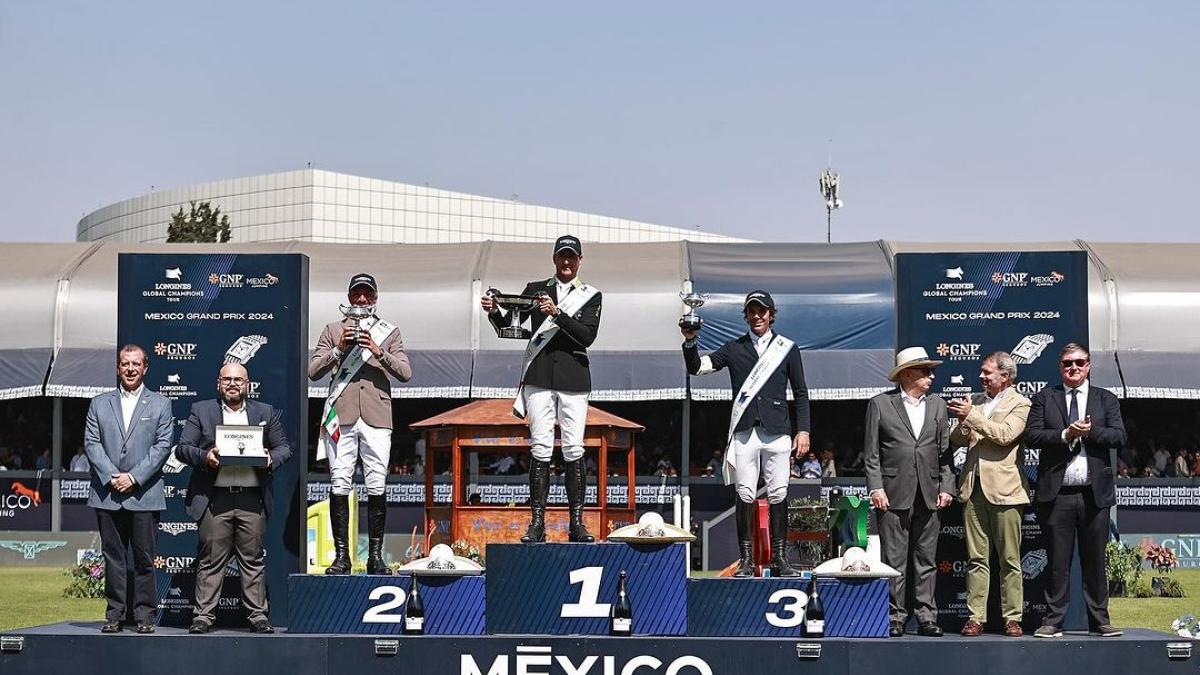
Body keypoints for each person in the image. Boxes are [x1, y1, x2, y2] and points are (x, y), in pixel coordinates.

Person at [480, 234, 603, 543]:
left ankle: (577, 523)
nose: (566, 262)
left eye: (571, 257)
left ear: (579, 261)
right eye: (561, 256)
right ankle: (537, 523)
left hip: (574, 378)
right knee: (540, 448)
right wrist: (493, 310)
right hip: (539, 376)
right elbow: (515, 327)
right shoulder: (535, 290)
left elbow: (587, 336)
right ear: (554, 258)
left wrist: (557, 314)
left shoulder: (591, 295)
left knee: (574, 448)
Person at [682, 290, 810, 577]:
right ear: (746, 316)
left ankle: (779, 560)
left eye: (762, 311)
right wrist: (691, 342)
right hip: (745, 431)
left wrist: (804, 430)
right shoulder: (733, 348)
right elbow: (698, 368)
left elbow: (801, 392)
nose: (757, 316)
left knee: (779, 493)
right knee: (745, 493)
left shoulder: (787, 348)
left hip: (778, 431)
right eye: (752, 311)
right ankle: (746, 560)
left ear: (771, 314)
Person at [175, 363, 292, 634]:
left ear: (247, 384)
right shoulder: (201, 411)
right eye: (227, 379)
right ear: (218, 383)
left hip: (252, 499)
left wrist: (269, 459)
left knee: (252, 559)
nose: (232, 384)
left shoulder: (265, 412)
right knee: (210, 559)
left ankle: (258, 616)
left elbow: (284, 447)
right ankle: (203, 616)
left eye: (238, 380)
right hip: (215, 499)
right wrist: (206, 457)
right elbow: (183, 449)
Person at [309, 273, 412, 574]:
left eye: (367, 294)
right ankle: (342, 557)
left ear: (375, 298)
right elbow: (313, 371)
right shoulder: (332, 329)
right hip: (340, 415)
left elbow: (406, 371)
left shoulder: (389, 332)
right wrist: (338, 349)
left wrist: (379, 352)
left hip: (377, 417)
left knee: (376, 482)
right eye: (357, 294)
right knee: (340, 482)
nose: (362, 300)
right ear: (349, 297)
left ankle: (375, 557)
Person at [1025, 343, 1126, 638]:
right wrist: (1066, 434)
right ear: (1060, 367)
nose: (1074, 368)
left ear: (1089, 365)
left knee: (1095, 561)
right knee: (1057, 562)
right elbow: (1032, 435)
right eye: (1068, 363)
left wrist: (1090, 432)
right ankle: (1053, 620)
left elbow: (1119, 436)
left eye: (1079, 363)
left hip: (1094, 494)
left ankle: (1100, 621)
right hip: (1058, 494)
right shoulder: (1046, 397)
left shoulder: (1105, 399)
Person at [862, 346, 954, 637]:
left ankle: (927, 616)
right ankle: (895, 616)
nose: (931, 375)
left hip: (929, 493)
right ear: (907, 374)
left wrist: (947, 486)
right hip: (892, 493)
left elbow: (945, 454)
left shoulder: (938, 405)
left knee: (926, 560)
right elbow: (871, 453)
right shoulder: (880, 404)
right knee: (894, 560)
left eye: (931, 370)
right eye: (925, 370)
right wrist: (876, 487)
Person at [83, 344, 174, 634]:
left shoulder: (161, 403)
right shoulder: (99, 403)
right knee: (113, 558)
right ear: (118, 368)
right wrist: (112, 476)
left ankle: (145, 616)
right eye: (125, 364)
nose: (131, 369)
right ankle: (115, 614)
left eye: (136, 364)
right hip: (108, 494)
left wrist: (133, 477)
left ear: (145, 368)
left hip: (144, 495)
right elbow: (92, 443)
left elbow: (162, 447)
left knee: (145, 559)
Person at [947, 352, 1031, 638]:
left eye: (987, 372)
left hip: (1007, 490)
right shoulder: (976, 401)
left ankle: (1012, 618)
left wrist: (972, 416)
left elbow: (1006, 435)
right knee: (976, 558)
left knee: (1010, 559)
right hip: (972, 488)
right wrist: (963, 421)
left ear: (1005, 376)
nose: (981, 376)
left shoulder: (1021, 403)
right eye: (982, 372)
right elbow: (954, 440)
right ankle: (975, 617)